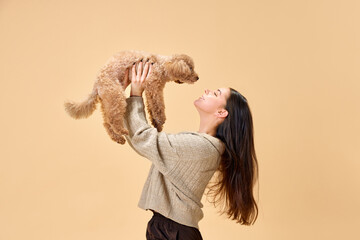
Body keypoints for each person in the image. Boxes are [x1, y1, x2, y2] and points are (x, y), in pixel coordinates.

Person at [121, 60, 259, 240]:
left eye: (216, 93)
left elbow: (144, 139)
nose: (207, 91)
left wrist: (136, 93)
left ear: (221, 112)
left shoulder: (202, 148)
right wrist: (129, 96)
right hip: (168, 228)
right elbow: (142, 142)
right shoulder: (202, 144)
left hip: (174, 232)